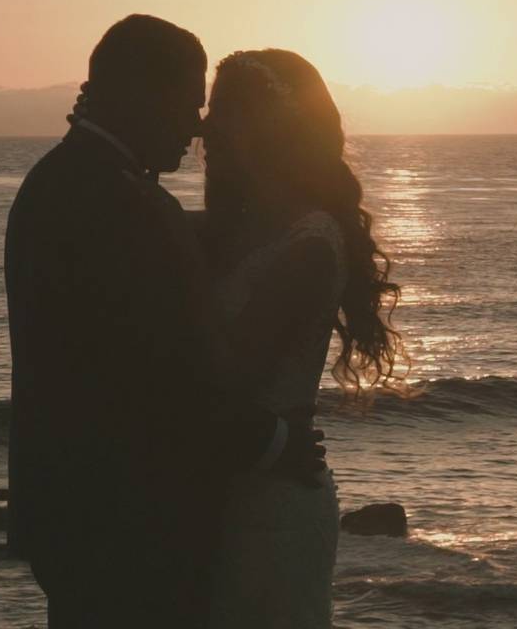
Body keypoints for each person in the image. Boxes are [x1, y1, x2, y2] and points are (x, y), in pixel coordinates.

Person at [4, 18, 325, 629]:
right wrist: (274, 443)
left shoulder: (60, 181)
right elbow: (160, 380)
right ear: (139, 95)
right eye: (188, 103)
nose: (197, 125)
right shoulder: (127, 207)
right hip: (129, 523)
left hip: (72, 515)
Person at [199, 49, 407, 628]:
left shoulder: (309, 245)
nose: (205, 128)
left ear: (269, 128)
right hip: (220, 495)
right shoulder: (231, 227)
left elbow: (222, 379)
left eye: (224, 114)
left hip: (270, 506)